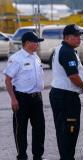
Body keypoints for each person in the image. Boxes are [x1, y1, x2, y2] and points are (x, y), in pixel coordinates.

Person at [49, 24, 83, 160]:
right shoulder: (67, 51)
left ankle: (66, 157)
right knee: (69, 130)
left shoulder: (63, 49)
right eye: (76, 36)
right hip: (65, 97)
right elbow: (73, 76)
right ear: (67, 37)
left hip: (62, 94)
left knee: (65, 130)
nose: (79, 39)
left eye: (80, 36)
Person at [3, 32, 45, 160]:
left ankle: (38, 156)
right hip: (22, 98)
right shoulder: (16, 58)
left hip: (37, 98)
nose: (37, 44)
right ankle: (22, 156)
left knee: (39, 128)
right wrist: (13, 99)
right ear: (27, 43)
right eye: (35, 42)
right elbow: (7, 80)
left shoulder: (36, 57)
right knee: (21, 129)